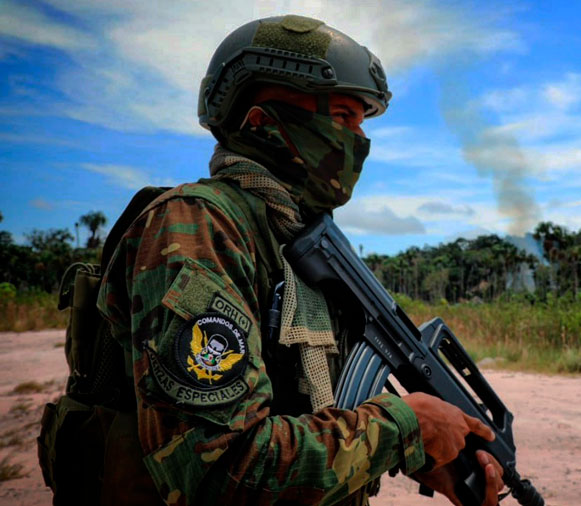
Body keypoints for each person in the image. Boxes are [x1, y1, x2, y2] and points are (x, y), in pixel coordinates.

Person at [96, 14, 503, 506]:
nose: (358, 140)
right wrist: (404, 427)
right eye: (343, 116)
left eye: (362, 122)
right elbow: (222, 471)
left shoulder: (297, 241)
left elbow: (314, 407)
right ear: (262, 122)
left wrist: (427, 452)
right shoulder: (198, 227)